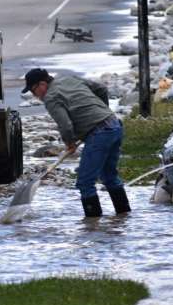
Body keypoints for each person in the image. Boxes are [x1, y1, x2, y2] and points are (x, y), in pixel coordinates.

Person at [22, 68, 131, 218]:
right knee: (109, 176)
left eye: (34, 91)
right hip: (114, 125)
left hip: (99, 134)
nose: (35, 96)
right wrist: (104, 110)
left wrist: (70, 143)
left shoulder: (51, 97)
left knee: (85, 182)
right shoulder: (69, 79)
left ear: (42, 84)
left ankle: (92, 227)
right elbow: (101, 89)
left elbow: (65, 125)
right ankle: (123, 216)